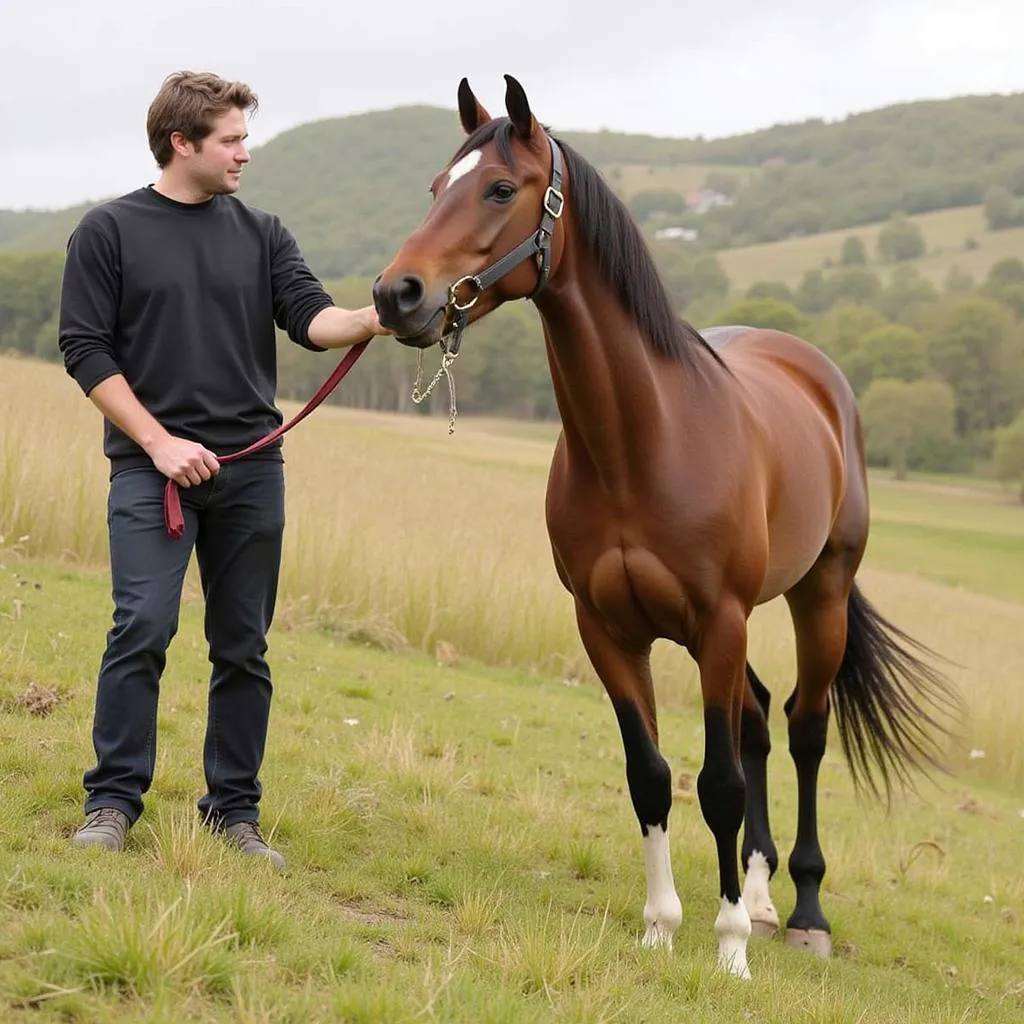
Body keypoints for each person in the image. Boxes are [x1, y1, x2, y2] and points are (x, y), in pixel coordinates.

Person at [57, 70, 389, 870]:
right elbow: (85, 350)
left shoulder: (262, 233)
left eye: (244, 136)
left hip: (252, 472)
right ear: (183, 142)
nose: (246, 152)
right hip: (153, 475)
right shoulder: (108, 232)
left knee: (243, 646)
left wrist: (383, 314)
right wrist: (158, 442)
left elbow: (314, 319)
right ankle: (112, 803)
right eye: (232, 139)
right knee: (141, 626)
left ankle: (232, 813)